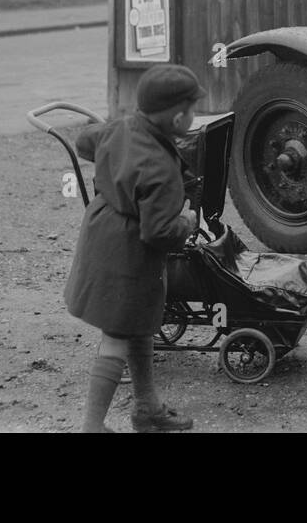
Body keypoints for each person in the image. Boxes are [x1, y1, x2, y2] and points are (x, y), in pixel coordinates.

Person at [64, 63, 206, 432]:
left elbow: (84, 142)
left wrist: (114, 150)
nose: (193, 116)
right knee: (116, 334)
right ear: (177, 118)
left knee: (139, 326)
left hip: (106, 233)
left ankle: (147, 410)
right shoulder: (159, 168)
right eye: (192, 110)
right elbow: (159, 231)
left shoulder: (122, 127)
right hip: (126, 256)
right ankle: (92, 427)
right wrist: (187, 222)